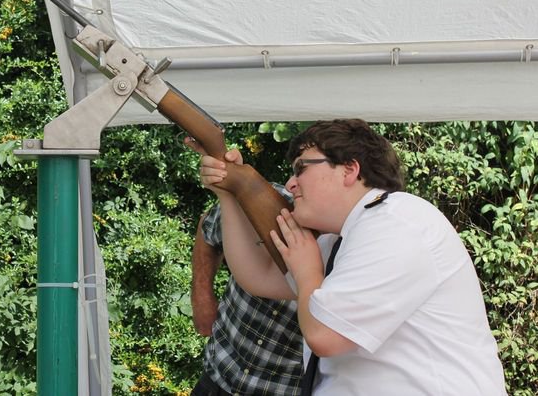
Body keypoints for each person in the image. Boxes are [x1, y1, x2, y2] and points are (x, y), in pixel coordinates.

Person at [189, 119, 506, 396]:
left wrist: (308, 272)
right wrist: (230, 192)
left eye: (302, 168)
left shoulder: (397, 222)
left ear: (350, 169)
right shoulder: (343, 239)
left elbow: (325, 336)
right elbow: (257, 276)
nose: (291, 183)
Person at [191, 184, 304, 396]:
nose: (292, 182)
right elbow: (209, 225)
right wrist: (202, 296)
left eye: (303, 169)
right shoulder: (265, 199)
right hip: (215, 381)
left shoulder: (352, 252)